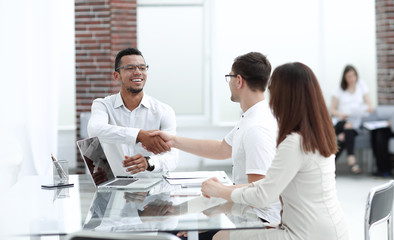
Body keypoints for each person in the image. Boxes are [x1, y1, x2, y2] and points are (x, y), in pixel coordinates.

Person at [200, 62, 349, 240]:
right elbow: (268, 186)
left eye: (272, 91)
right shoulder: (318, 135)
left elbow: (262, 195)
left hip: (304, 234)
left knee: (219, 238)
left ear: (285, 97)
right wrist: (223, 191)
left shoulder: (294, 143)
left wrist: (220, 191)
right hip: (331, 229)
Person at [150, 52, 281, 227]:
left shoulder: (257, 127)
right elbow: (221, 149)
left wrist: (220, 191)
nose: (229, 84)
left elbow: (258, 190)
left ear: (239, 81)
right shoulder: (252, 118)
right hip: (245, 211)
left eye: (230, 77)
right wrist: (173, 141)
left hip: (259, 220)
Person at [87, 48, 178, 176]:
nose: (138, 72)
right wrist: (139, 135)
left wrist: (149, 162)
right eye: (130, 68)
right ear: (116, 76)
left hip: (154, 190)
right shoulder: (103, 105)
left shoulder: (164, 111)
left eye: (142, 68)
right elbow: (94, 130)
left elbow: (173, 157)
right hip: (115, 190)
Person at [330, 65, 373, 174]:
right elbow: (332, 110)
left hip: (355, 124)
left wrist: (365, 110)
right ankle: (351, 159)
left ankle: (329, 166)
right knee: (347, 126)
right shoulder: (339, 90)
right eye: (349, 76)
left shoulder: (361, 85)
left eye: (354, 76)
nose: (352, 79)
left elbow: (370, 106)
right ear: (345, 78)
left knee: (343, 136)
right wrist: (341, 114)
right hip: (341, 122)